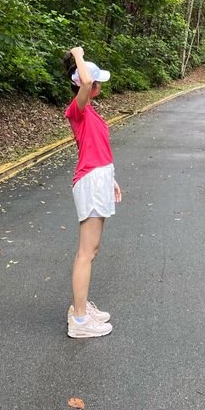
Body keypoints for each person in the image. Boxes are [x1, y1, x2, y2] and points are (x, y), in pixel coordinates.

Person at [62, 46, 122, 339]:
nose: (98, 86)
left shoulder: (92, 113)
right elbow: (84, 82)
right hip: (90, 182)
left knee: (92, 249)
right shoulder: (77, 109)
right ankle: (80, 320)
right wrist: (78, 55)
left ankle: (81, 307)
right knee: (86, 252)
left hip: (100, 179)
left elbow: (97, 150)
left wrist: (112, 179)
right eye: (96, 81)